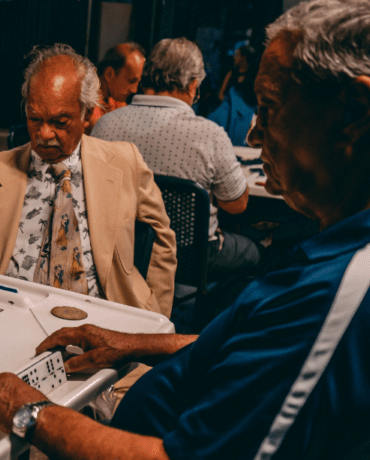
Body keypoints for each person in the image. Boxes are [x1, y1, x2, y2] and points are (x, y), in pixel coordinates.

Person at [0, 1, 370, 460]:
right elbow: (269, 352)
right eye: (36, 118)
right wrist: (137, 342)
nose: (253, 130)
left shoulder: (355, 292)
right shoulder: (344, 256)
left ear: (355, 112)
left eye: (270, 108)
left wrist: (30, 411)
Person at [0, 44, 177, 317]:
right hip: (10, 314)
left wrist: (156, 321)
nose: (44, 134)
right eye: (35, 119)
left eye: (60, 122)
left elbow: (162, 239)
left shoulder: (124, 161)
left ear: (87, 113)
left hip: (105, 315)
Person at [92, 38, 261, 280]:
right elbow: (236, 205)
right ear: (193, 86)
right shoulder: (209, 133)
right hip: (190, 258)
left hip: (122, 253)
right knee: (255, 253)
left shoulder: (106, 125)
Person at [208, 43, 261, 145]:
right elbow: (221, 94)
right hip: (229, 106)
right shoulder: (232, 72)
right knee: (217, 118)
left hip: (247, 109)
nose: (234, 57)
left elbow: (256, 99)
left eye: (237, 55)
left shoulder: (254, 76)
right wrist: (232, 106)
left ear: (244, 57)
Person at [87, 42, 145, 133]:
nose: (134, 90)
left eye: (138, 82)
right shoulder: (88, 98)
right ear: (109, 74)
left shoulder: (116, 98)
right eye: (131, 81)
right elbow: (100, 131)